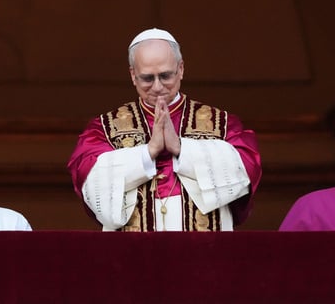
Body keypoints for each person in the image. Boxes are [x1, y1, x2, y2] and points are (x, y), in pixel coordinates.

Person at [67, 28, 262, 231]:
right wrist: (148, 152)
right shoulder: (105, 128)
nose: (158, 87)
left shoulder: (221, 123)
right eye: (147, 78)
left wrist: (180, 148)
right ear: (133, 75)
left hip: (205, 246)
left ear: (181, 69)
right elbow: (87, 177)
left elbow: (247, 168)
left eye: (165, 76)